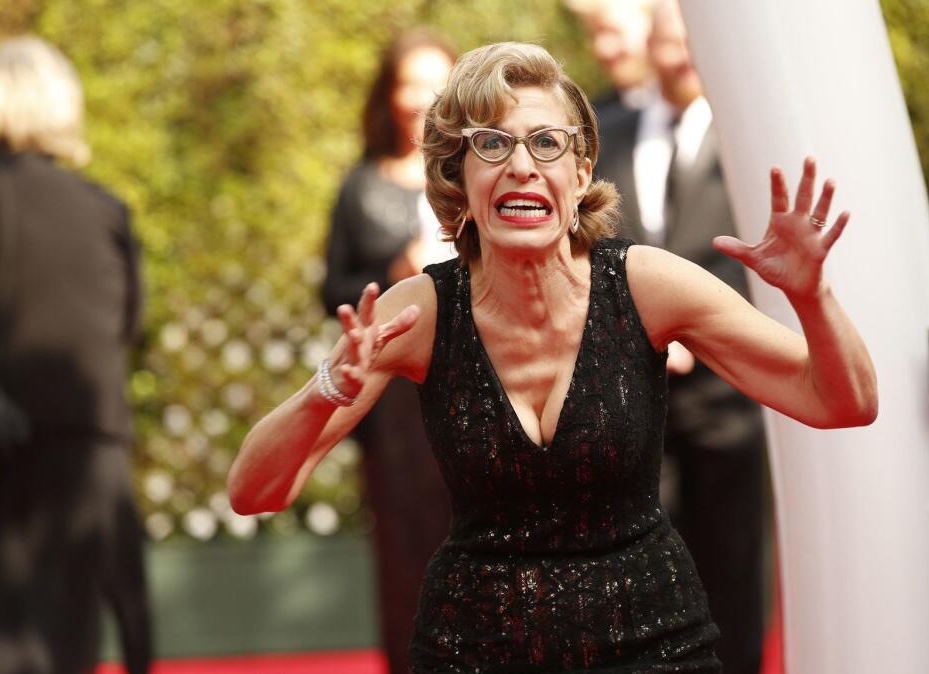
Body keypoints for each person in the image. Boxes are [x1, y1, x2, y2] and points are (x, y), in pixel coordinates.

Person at [229, 41, 877, 671]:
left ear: (581, 171)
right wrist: (327, 388)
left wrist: (812, 295)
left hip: (653, 647)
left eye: (546, 143)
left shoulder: (647, 286)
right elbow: (254, 491)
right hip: (473, 652)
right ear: (460, 176)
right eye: (491, 143)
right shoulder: (422, 311)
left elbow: (843, 402)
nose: (522, 165)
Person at [592, 2, 769, 670]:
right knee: (638, 574)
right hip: (633, 395)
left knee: (733, 565)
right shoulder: (607, 133)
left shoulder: (747, 138)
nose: (681, 56)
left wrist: (704, 331)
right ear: (650, 48)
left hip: (730, 396)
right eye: (669, 43)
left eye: (692, 44)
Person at [0, 36, 152, 674]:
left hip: (8, 455)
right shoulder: (104, 210)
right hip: (90, 456)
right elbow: (127, 326)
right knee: (74, 643)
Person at [319, 30, 456, 674]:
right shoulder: (360, 186)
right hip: (392, 402)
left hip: (471, 383)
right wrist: (392, 270)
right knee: (404, 549)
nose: (422, 100)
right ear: (389, 95)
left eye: (437, 82)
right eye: (410, 84)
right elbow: (333, 290)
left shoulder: (479, 175)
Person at [566, 0, 656, 122]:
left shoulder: (684, 111)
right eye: (592, 35)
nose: (602, 49)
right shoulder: (592, 123)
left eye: (613, 32)